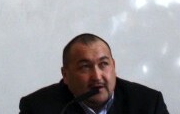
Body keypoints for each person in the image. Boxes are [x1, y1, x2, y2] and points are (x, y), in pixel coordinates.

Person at [19, 33, 169, 114]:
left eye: (104, 64)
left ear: (113, 66)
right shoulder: (37, 108)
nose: (97, 76)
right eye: (85, 67)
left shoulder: (148, 104)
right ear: (65, 75)